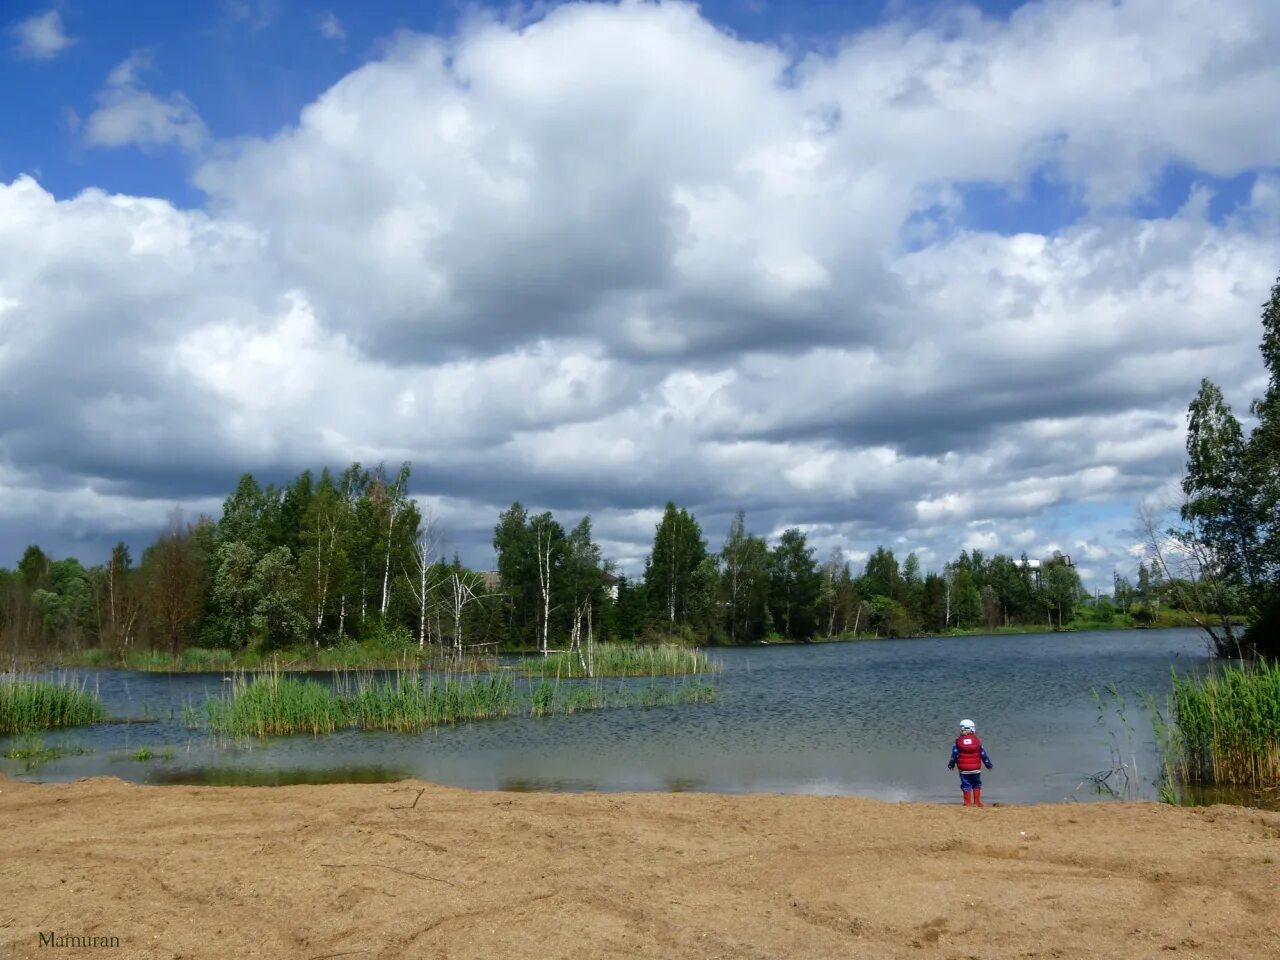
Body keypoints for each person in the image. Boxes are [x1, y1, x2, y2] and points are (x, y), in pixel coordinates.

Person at [947, 719, 993, 806]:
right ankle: (977, 802)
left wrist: (951, 764)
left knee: (966, 784)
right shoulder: (977, 740)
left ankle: (967, 803)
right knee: (977, 783)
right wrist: (988, 764)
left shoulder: (958, 741)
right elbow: (983, 753)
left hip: (963, 769)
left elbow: (954, 754)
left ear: (962, 730)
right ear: (973, 730)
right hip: (976, 768)